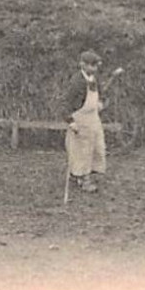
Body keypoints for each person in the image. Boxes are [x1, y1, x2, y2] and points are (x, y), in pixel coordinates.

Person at [65, 49, 108, 193]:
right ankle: (84, 180)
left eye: (96, 66)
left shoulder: (94, 79)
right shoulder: (76, 81)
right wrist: (71, 121)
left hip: (93, 118)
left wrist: (101, 102)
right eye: (91, 65)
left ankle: (81, 176)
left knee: (97, 147)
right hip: (80, 118)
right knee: (82, 150)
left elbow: (100, 94)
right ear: (82, 64)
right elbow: (66, 103)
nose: (94, 68)